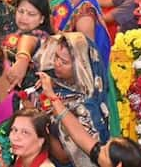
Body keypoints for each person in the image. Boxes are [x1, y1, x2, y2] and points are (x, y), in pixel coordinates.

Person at [35, 33, 111, 167]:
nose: (57, 63)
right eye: (56, 57)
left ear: (80, 65)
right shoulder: (55, 85)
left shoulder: (87, 106)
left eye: (64, 62)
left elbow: (64, 156)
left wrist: (39, 123)